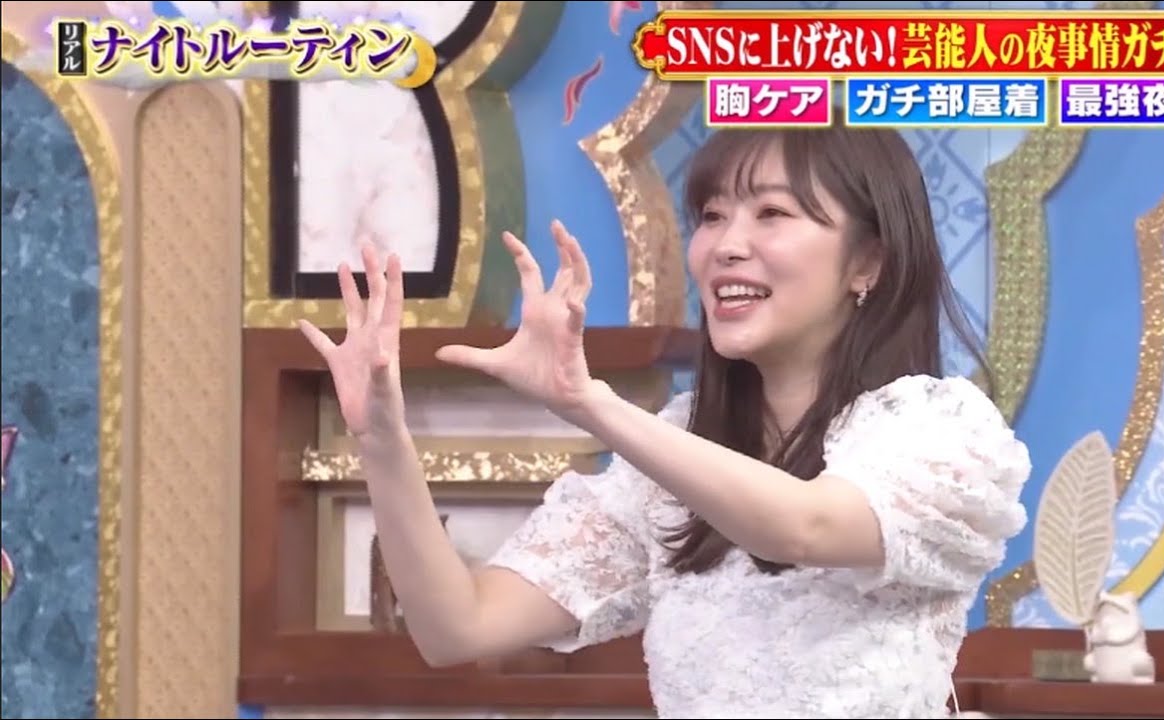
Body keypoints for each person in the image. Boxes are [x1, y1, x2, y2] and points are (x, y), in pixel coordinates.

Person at [298, 125, 1033, 719]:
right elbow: (458, 627)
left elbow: (804, 527)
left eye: (772, 214)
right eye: (712, 215)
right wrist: (382, 439)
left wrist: (587, 401)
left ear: (867, 262)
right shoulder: (667, 464)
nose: (726, 244)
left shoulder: (938, 429)